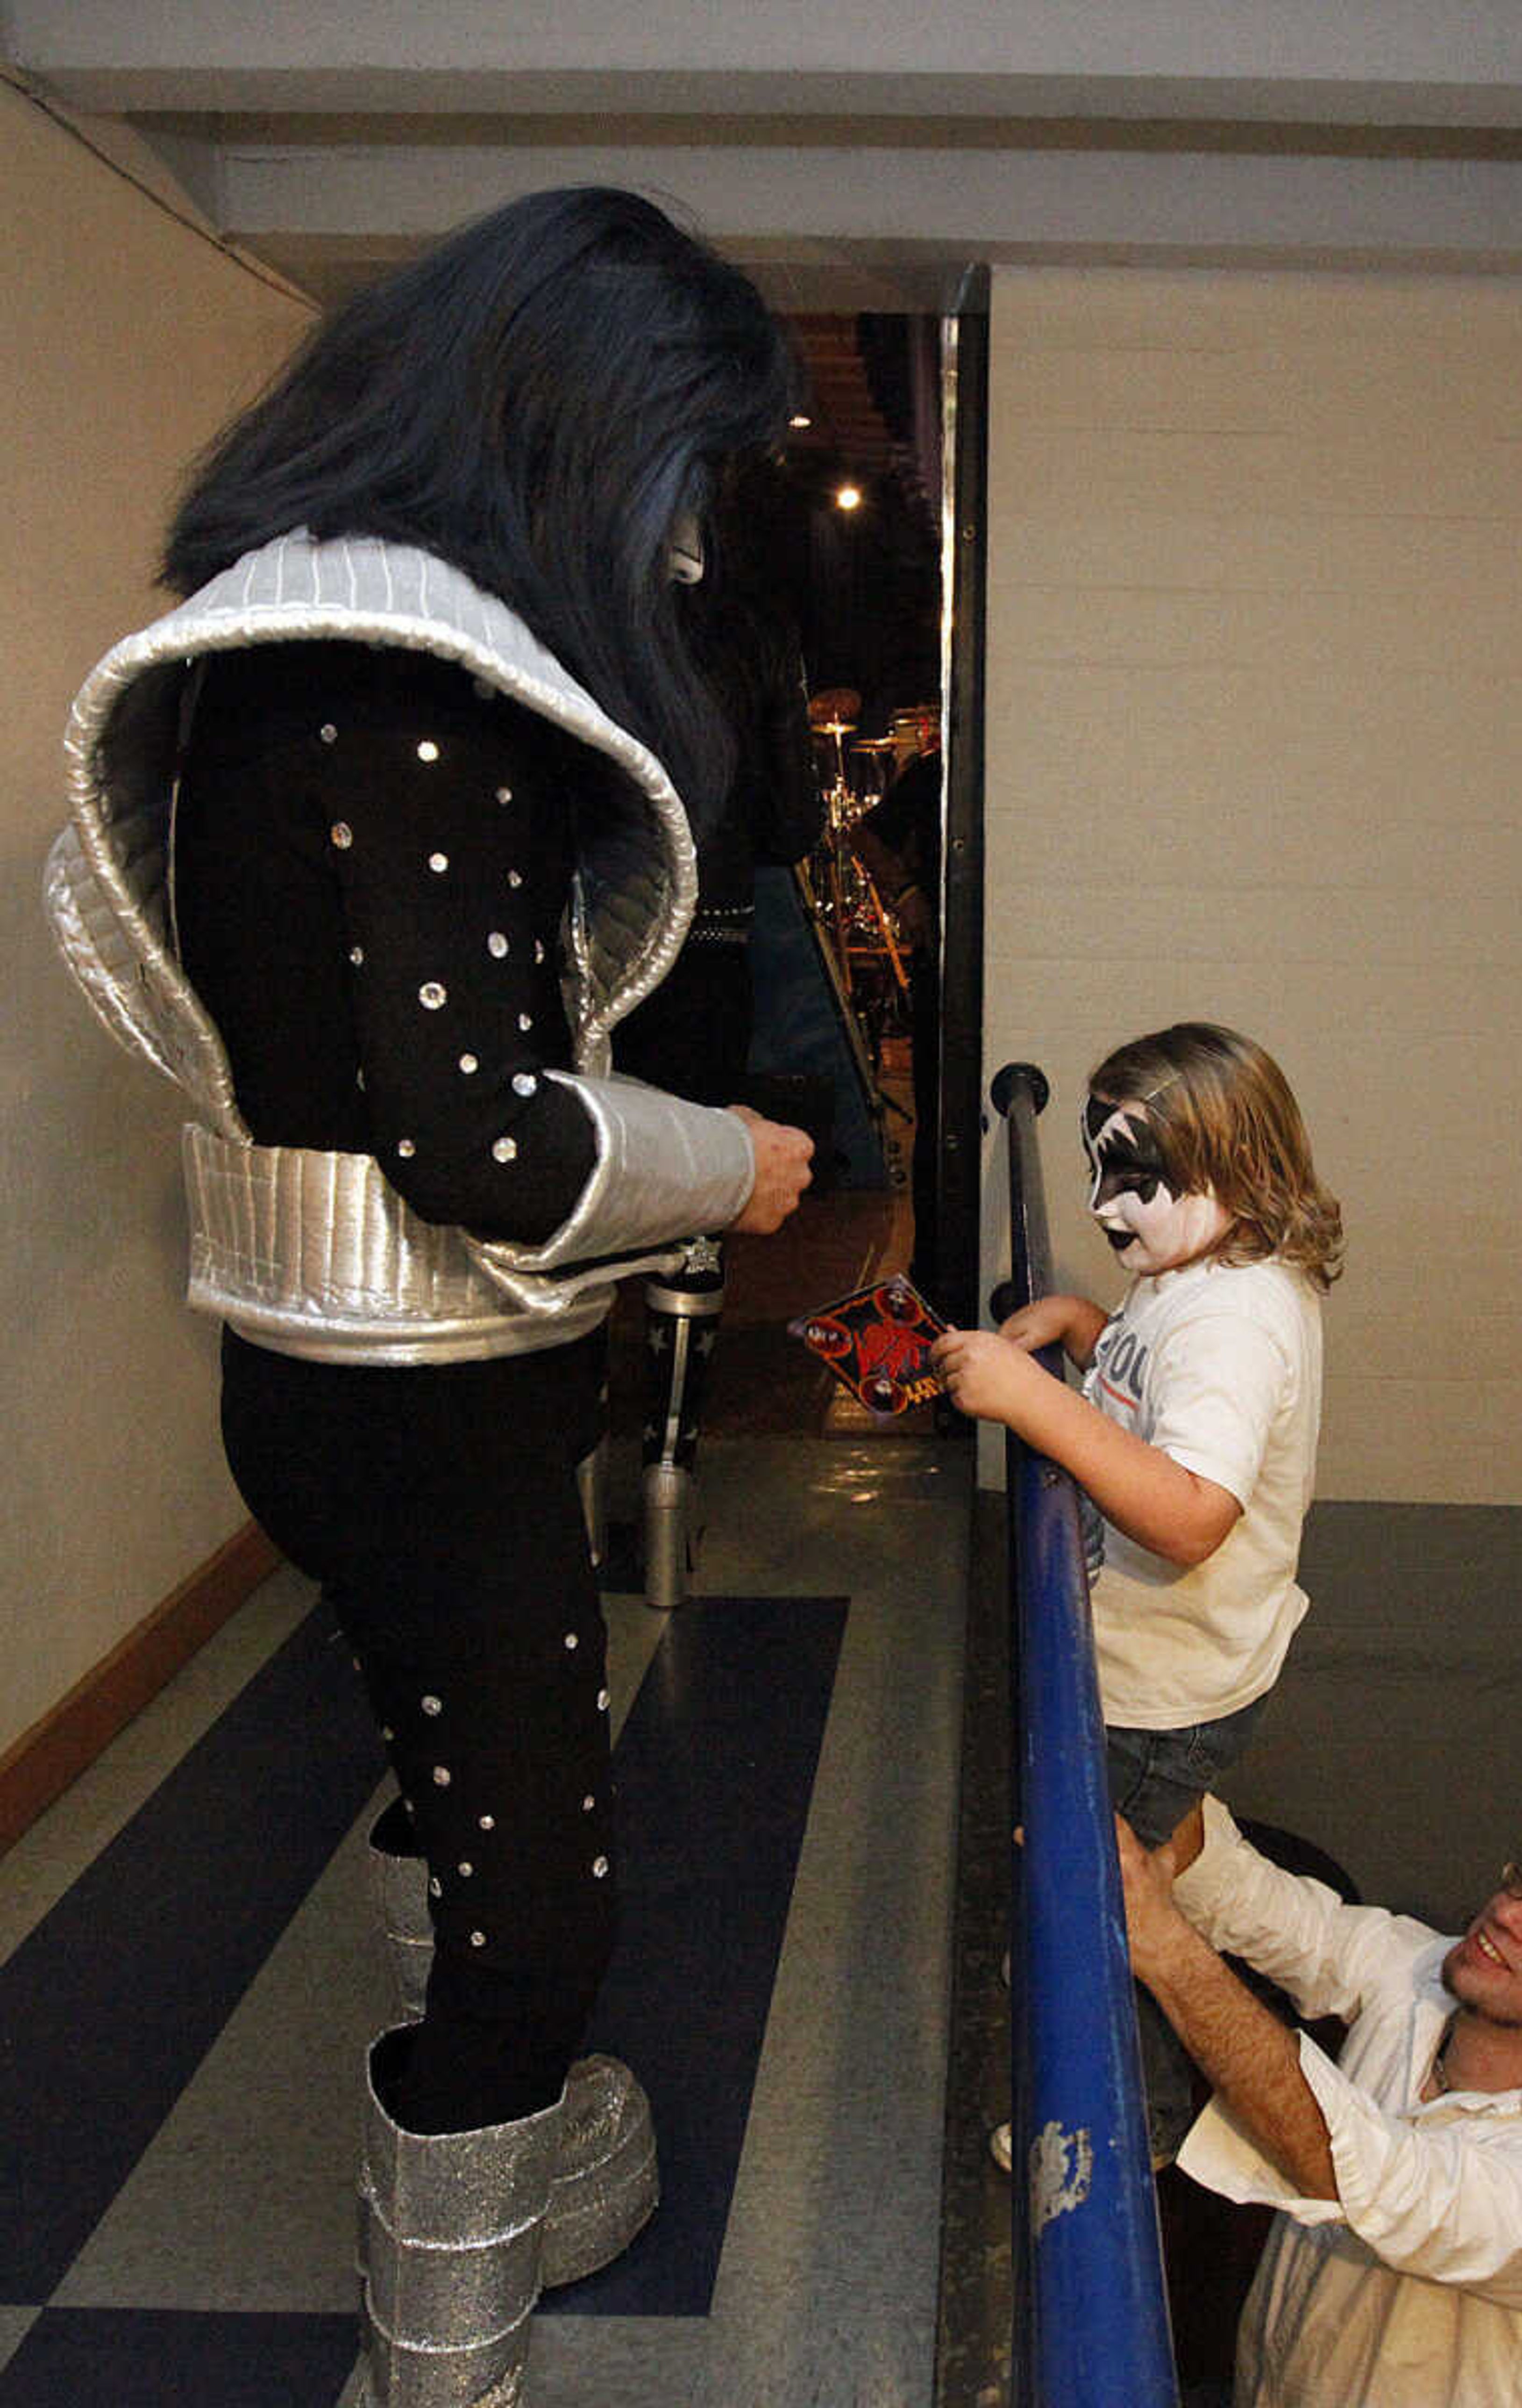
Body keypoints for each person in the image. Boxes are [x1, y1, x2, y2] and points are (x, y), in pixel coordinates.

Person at [45, 186, 812, 2407]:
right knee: (541, 1895)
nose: (686, 534)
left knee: (449, 1780)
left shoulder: (279, 651)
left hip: (307, 1377)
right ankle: (441, 2346)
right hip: (431, 1391)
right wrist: (728, 1168)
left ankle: (537, 2157)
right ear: (585, 426)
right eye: (685, 468)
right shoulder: (410, 680)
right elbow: (482, 1139)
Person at [930, 1021, 1340, 2162]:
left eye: (1134, 1179)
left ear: (1237, 1174)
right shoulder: (1190, 1271)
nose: (1106, 1206)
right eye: (1095, 1168)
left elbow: (1190, 1515)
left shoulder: (1234, 1320)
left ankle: (1133, 2125)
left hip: (1163, 1700)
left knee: (1096, 1894)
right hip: (1156, 1664)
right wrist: (1081, 1331)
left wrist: (1033, 1401)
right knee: (1091, 1864)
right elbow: (1154, 1393)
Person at [1117, 1800, 1522, 2407]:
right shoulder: (1424, 1972)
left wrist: (1166, 1948)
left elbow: (1358, 2169)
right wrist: (1151, 1769)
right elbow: (1239, 1889)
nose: (1511, 1914)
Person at [608, 543, 824, 1604]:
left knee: (558, 1181)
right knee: (696, 1191)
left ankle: (550, 1467)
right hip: (707, 943)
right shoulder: (750, 621)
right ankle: (667, 1466)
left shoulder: (570, 586)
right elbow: (793, 824)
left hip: (580, 944)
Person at [851, 704, 942, 1293]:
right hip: (942, 957)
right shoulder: (933, 774)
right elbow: (863, 833)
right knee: (936, 1114)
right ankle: (932, 1264)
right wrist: (908, 897)